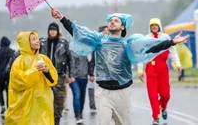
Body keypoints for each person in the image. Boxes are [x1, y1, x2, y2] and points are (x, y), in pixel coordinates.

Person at [50, 8, 189, 125]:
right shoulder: (98, 41)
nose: (112, 21)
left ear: (123, 27)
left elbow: (150, 47)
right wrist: (61, 18)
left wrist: (171, 42)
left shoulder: (128, 45)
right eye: (111, 20)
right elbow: (79, 32)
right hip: (103, 91)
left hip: (122, 92)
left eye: (116, 20)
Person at [5, 31, 58, 125]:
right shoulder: (19, 61)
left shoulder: (44, 59)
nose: (37, 41)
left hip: (42, 102)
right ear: (26, 43)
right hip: (26, 104)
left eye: (37, 39)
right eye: (33, 39)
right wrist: (35, 71)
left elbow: (53, 80)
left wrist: (46, 71)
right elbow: (18, 81)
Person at [138, 18, 181, 125]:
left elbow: (172, 52)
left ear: (159, 26)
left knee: (165, 94)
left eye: (155, 25)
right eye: (152, 25)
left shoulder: (165, 37)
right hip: (151, 69)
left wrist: (177, 63)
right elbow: (141, 55)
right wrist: (140, 69)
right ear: (150, 27)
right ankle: (156, 117)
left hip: (163, 69)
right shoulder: (146, 39)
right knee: (152, 95)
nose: (154, 26)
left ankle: (163, 107)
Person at [39, 22, 75, 125]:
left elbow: (70, 59)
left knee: (59, 99)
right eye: (51, 30)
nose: (52, 31)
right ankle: (45, 119)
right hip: (45, 75)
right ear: (48, 31)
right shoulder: (42, 42)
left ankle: (57, 120)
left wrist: (71, 74)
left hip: (59, 75)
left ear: (57, 31)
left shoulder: (64, 43)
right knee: (44, 98)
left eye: (54, 30)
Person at [87, 25, 109, 112]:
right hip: (96, 71)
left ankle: (105, 104)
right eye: (105, 31)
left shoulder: (110, 43)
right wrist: (91, 73)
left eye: (108, 31)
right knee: (93, 88)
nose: (107, 32)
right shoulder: (96, 44)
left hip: (107, 72)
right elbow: (92, 60)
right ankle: (93, 104)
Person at [70, 50, 94, 123]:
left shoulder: (88, 49)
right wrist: (69, 75)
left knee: (82, 96)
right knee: (77, 95)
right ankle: (77, 115)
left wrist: (91, 74)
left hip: (84, 76)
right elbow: (68, 62)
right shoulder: (71, 49)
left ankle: (80, 112)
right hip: (74, 77)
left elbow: (91, 62)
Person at [0, 36, 15, 114]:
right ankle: (8, 106)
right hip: (8, 75)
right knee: (8, 91)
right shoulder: (11, 51)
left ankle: (2, 105)